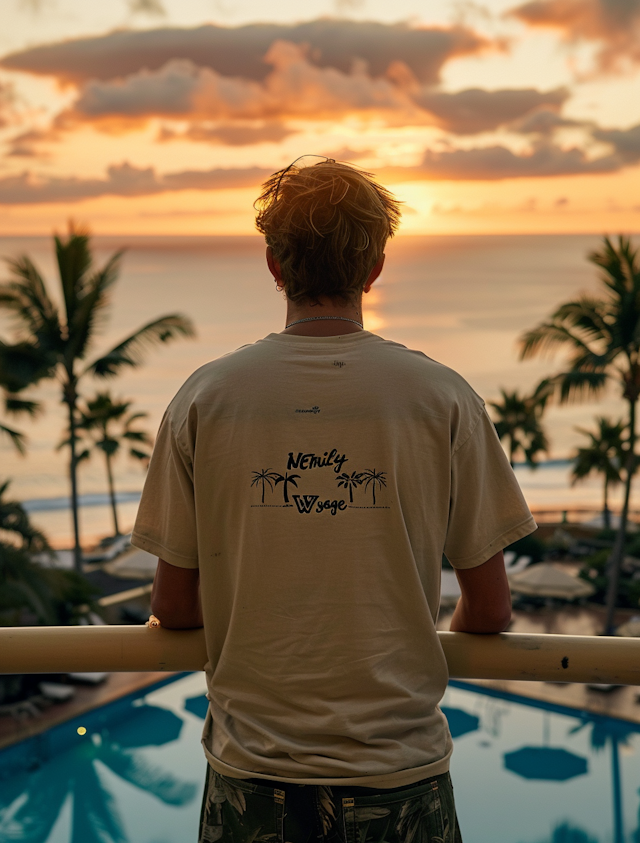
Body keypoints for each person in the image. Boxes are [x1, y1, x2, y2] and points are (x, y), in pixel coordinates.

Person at [132, 157, 536, 843]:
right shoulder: (443, 398)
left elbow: (172, 607)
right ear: (375, 267)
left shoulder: (205, 398)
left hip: (252, 777)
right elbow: (491, 609)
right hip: (401, 777)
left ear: (274, 265)